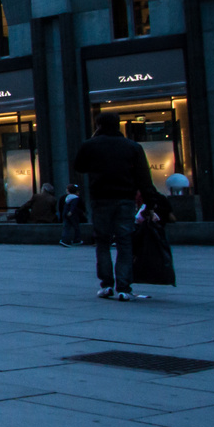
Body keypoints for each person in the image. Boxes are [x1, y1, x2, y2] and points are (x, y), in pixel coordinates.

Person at [73, 113, 162, 301]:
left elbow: (79, 166)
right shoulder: (132, 147)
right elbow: (144, 178)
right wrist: (150, 204)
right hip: (125, 199)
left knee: (103, 242)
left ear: (98, 125)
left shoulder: (90, 145)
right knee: (124, 242)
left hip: (100, 199)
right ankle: (123, 287)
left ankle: (106, 285)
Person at [59, 184, 84, 248]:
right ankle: (77, 239)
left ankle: (65, 240)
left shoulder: (64, 198)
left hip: (65, 214)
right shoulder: (77, 198)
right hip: (74, 215)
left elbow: (60, 207)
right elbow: (79, 207)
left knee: (66, 227)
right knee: (76, 227)